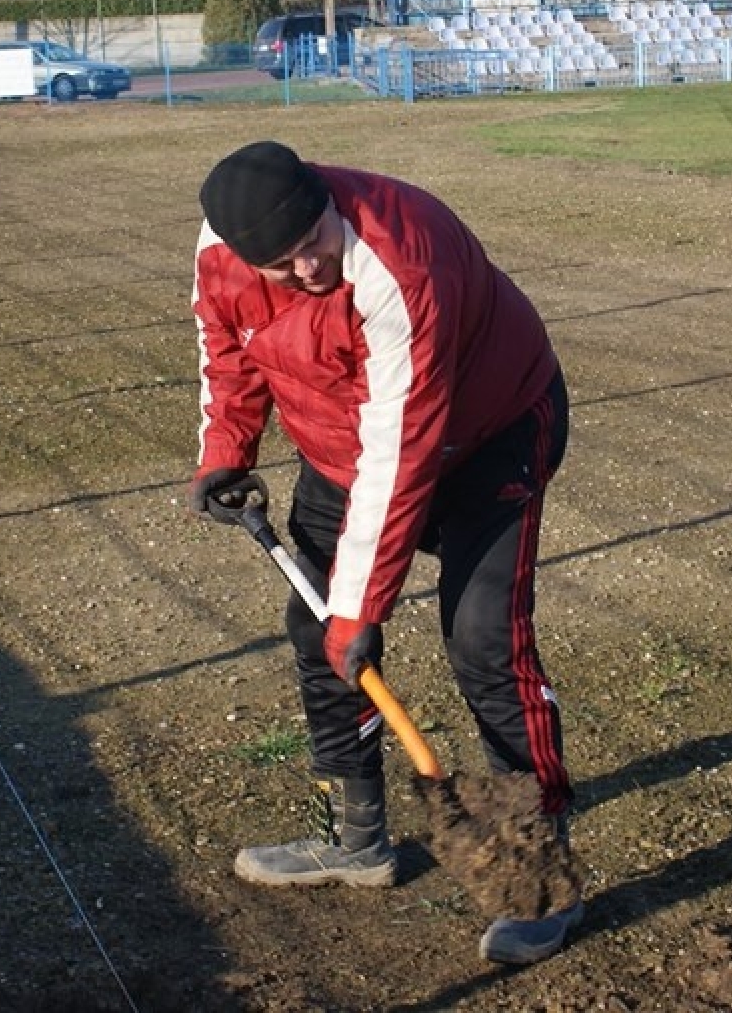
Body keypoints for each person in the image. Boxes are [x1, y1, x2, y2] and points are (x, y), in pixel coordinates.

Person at [185, 140, 579, 964]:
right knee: (316, 630)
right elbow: (229, 350)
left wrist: (363, 608)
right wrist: (228, 446)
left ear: (326, 201)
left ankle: (538, 870)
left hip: (488, 432)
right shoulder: (222, 252)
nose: (305, 269)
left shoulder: (400, 261)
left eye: (313, 245)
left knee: (482, 643)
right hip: (344, 446)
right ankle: (356, 837)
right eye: (281, 266)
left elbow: (403, 449)